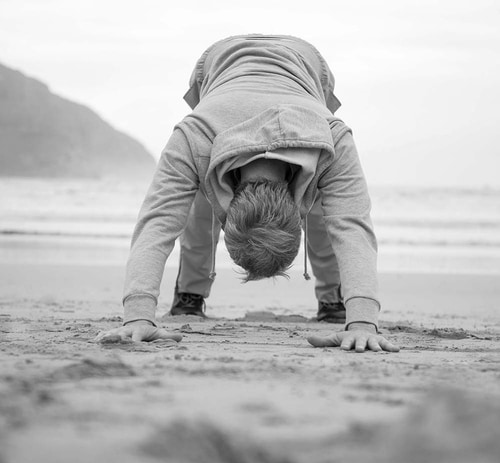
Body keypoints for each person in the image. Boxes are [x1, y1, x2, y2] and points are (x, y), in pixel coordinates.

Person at [96, 34, 399, 353]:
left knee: (321, 203)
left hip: (308, 67)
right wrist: (137, 316)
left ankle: (332, 300)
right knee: (202, 187)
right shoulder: (195, 135)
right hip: (219, 64)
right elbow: (158, 222)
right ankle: (190, 294)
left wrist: (363, 321)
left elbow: (350, 226)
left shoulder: (332, 137)